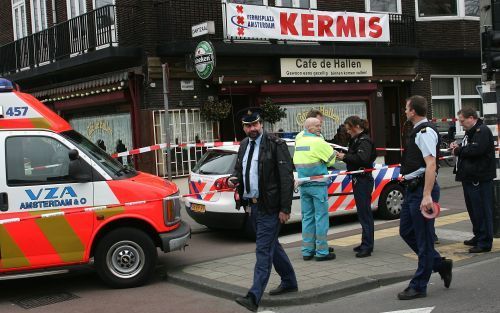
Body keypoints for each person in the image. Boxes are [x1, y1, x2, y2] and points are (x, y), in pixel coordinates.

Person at [229, 110, 297, 312]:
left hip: (271, 206)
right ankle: (289, 281)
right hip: (254, 206)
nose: (252, 129)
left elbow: (286, 178)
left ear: (261, 124)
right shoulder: (243, 145)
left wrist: (285, 208)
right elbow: (240, 170)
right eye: (248, 126)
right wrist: (235, 179)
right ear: (243, 127)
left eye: (255, 125)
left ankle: (254, 296)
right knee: (271, 245)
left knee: (263, 250)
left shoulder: (276, 145)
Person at [397, 95, 453, 300]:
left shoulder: (425, 131)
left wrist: (427, 195)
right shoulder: (416, 132)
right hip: (413, 189)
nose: (404, 111)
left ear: (413, 111)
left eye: (406, 108)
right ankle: (439, 264)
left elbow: (431, 165)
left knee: (424, 240)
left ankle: (419, 285)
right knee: (406, 231)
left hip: (422, 191)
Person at [450, 107, 496, 253]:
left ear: (471, 118)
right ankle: (478, 235)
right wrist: (458, 146)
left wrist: (458, 150)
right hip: (470, 178)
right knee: (473, 210)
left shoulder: (481, 131)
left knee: (481, 209)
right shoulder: (470, 133)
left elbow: (476, 150)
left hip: (479, 178)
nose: (461, 124)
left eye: (462, 121)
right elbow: (468, 147)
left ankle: (484, 242)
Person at [293, 117, 337, 261]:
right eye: (318, 126)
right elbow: (332, 160)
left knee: (307, 218)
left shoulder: (299, 141)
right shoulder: (318, 142)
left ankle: (307, 250)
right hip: (318, 185)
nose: (320, 128)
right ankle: (322, 251)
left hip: (304, 185)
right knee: (321, 218)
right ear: (310, 128)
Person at [336, 116, 376, 258]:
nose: (347, 131)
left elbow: (362, 159)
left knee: (365, 213)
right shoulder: (356, 140)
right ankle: (365, 242)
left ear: (355, 127)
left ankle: (367, 246)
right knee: (362, 213)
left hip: (363, 180)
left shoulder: (364, 141)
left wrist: (344, 157)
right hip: (358, 179)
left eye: (348, 128)